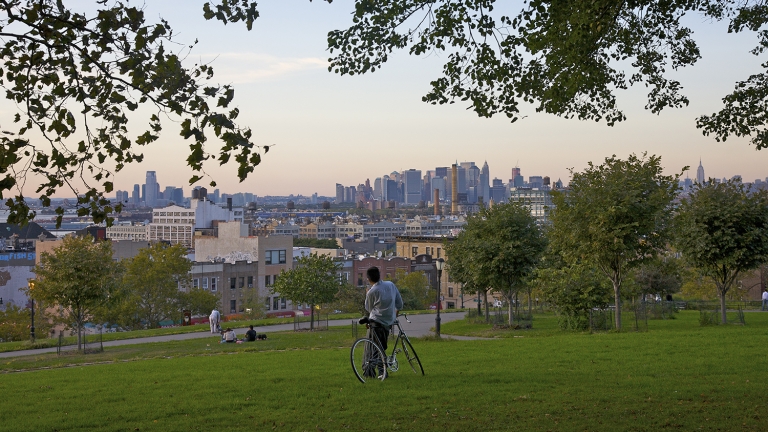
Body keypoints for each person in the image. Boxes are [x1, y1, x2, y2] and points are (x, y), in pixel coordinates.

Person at [361, 266, 403, 378]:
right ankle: (381, 371)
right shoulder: (391, 285)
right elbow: (399, 303)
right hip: (388, 322)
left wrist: (367, 294)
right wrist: (395, 313)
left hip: (376, 321)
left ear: (369, 279)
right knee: (381, 346)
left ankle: (375, 371)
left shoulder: (372, 292)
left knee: (373, 348)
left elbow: (369, 308)